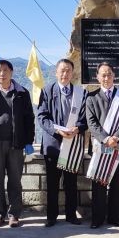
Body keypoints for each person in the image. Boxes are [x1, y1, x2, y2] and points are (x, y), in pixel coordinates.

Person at [0, 60, 35, 228]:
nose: (1, 73)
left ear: (11, 72)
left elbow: (28, 119)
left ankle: (14, 214)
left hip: (15, 144)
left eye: (5, 70)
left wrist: (28, 141)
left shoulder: (22, 93)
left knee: (15, 180)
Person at [36, 58, 87, 227]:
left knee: (70, 182)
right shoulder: (47, 91)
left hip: (72, 144)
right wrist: (56, 130)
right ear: (56, 72)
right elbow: (42, 117)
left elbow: (85, 117)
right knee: (52, 183)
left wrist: (78, 128)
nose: (65, 74)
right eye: (62, 70)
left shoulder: (81, 93)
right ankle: (51, 216)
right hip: (53, 145)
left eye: (68, 71)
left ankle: (71, 215)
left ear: (73, 73)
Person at [85, 62, 119, 229]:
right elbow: (91, 123)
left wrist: (116, 137)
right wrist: (106, 139)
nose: (106, 78)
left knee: (115, 183)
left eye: (109, 74)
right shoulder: (91, 97)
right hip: (100, 145)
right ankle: (97, 218)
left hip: (118, 146)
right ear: (97, 77)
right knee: (98, 182)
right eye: (103, 75)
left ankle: (114, 217)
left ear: (114, 76)